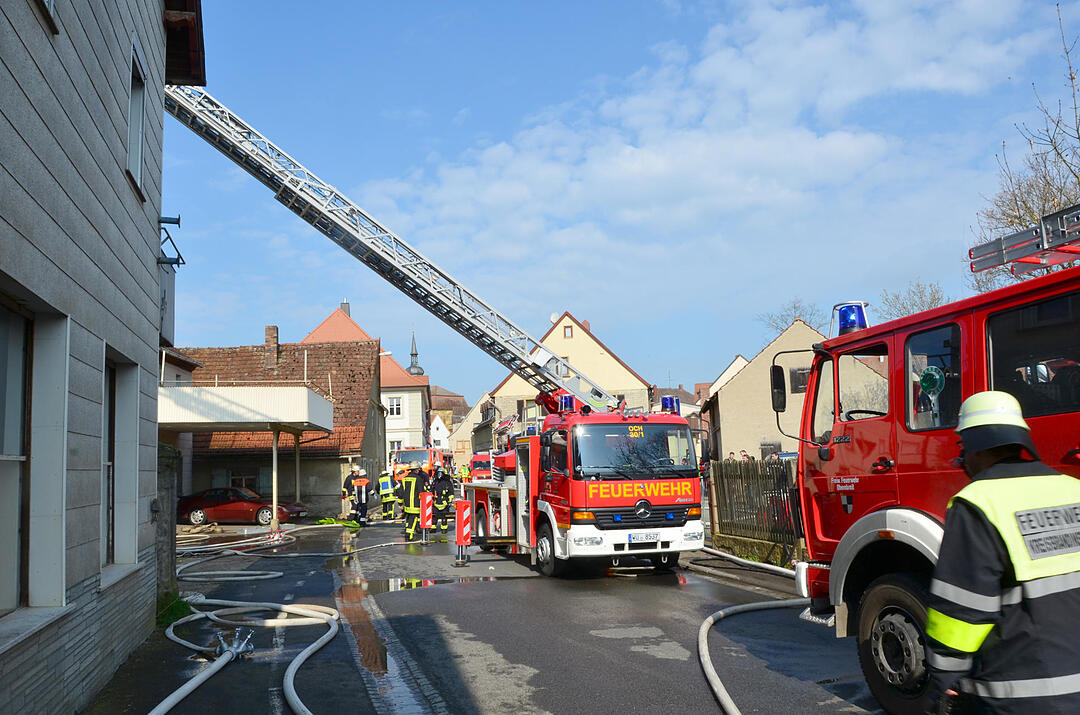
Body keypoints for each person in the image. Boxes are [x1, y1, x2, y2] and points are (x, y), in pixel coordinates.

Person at [923, 391, 1080, 713]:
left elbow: (961, 610)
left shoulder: (978, 503)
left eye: (962, 450)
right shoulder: (1071, 488)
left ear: (974, 447)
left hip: (1024, 694)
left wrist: (944, 676)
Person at [397, 462, 425, 541]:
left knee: (408, 517)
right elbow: (421, 492)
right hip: (415, 504)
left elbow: (401, 492)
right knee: (414, 518)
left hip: (407, 504)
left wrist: (400, 503)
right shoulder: (418, 479)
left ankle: (408, 530)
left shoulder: (405, 478)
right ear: (416, 470)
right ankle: (409, 534)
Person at [430, 467, 455, 541]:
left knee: (444, 517)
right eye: (438, 473)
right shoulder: (435, 482)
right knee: (434, 517)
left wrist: (449, 501)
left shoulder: (448, 482)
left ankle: (444, 529)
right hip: (436, 502)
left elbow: (451, 492)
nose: (439, 475)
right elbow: (431, 490)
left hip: (444, 503)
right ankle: (433, 528)